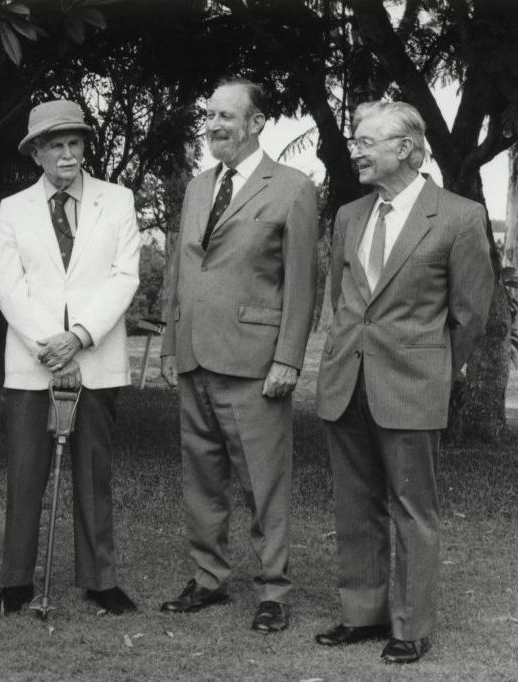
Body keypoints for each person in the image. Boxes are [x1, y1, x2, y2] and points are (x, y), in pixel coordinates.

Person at [314, 101, 493, 664]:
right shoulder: (348, 215)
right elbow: (342, 301)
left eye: (367, 142)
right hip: (347, 380)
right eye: (357, 141)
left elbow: (470, 316)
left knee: (413, 508)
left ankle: (410, 628)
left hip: (412, 387)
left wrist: (434, 369)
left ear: (407, 150)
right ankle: (362, 615)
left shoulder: (460, 217)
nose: (356, 150)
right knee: (354, 504)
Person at [159, 79, 318, 633]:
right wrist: (168, 341)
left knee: (263, 484)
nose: (214, 125)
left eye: (227, 115)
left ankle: (274, 590)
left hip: (255, 363)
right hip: (193, 355)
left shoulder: (294, 188)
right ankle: (208, 579)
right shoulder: (199, 186)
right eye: (209, 115)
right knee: (200, 477)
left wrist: (289, 359)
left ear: (255, 123)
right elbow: (183, 270)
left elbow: (303, 284)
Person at [0, 99, 141, 616]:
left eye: (76, 142)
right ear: (37, 153)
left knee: (93, 470)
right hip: (34, 360)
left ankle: (100, 580)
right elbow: (10, 289)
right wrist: (49, 344)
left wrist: (78, 335)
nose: (69, 154)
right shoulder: (13, 208)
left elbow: (126, 276)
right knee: (27, 470)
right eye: (57, 145)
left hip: (95, 356)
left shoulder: (117, 200)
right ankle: (15, 582)